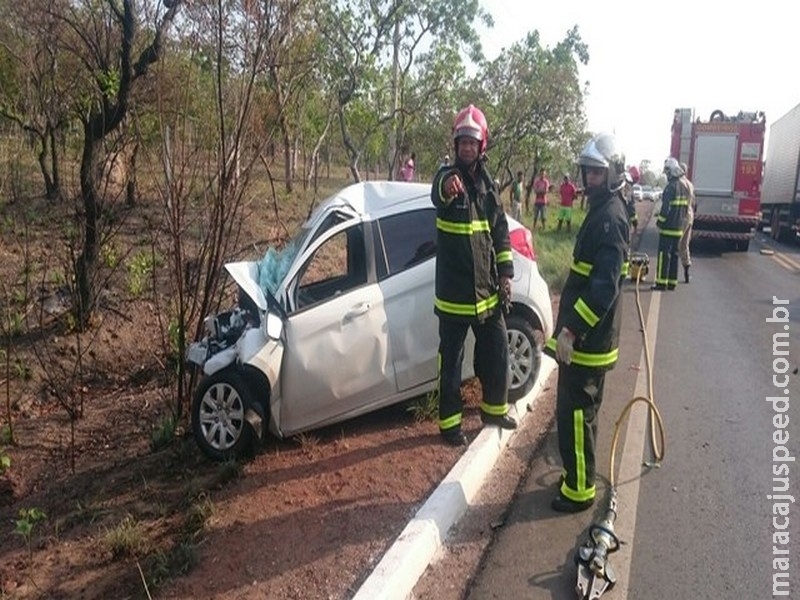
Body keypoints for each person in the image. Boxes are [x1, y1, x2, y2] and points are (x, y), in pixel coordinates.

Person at [543, 132, 630, 513]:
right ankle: (575, 477)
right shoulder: (603, 210)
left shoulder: (609, 218)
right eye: (587, 172)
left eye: (597, 172)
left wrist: (573, 329)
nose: (590, 179)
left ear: (612, 173)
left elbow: (603, 289)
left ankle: (579, 490)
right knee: (579, 414)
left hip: (588, 341)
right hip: (588, 338)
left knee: (576, 416)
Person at [430, 104, 517, 447]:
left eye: (472, 142)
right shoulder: (446, 177)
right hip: (454, 296)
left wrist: (506, 275)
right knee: (451, 363)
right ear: (456, 145)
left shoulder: (488, 185)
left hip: (486, 293)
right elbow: (437, 193)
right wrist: (446, 186)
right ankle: (449, 426)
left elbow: (500, 232)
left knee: (497, 351)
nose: (466, 148)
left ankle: (494, 410)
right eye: (462, 142)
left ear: (482, 146)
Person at [653, 157, 690, 290]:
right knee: (674, 256)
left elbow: (665, 209)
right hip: (679, 228)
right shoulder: (683, 187)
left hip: (668, 229)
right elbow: (686, 208)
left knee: (664, 256)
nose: (667, 174)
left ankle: (661, 283)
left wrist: (659, 222)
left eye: (667, 171)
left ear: (672, 171)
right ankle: (672, 283)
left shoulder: (670, 188)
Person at [678, 162, 696, 283]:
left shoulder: (679, 183)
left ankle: (670, 274)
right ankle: (686, 274)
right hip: (689, 216)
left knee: (675, 245)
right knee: (685, 245)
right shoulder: (690, 184)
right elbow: (693, 202)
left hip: (682, 216)